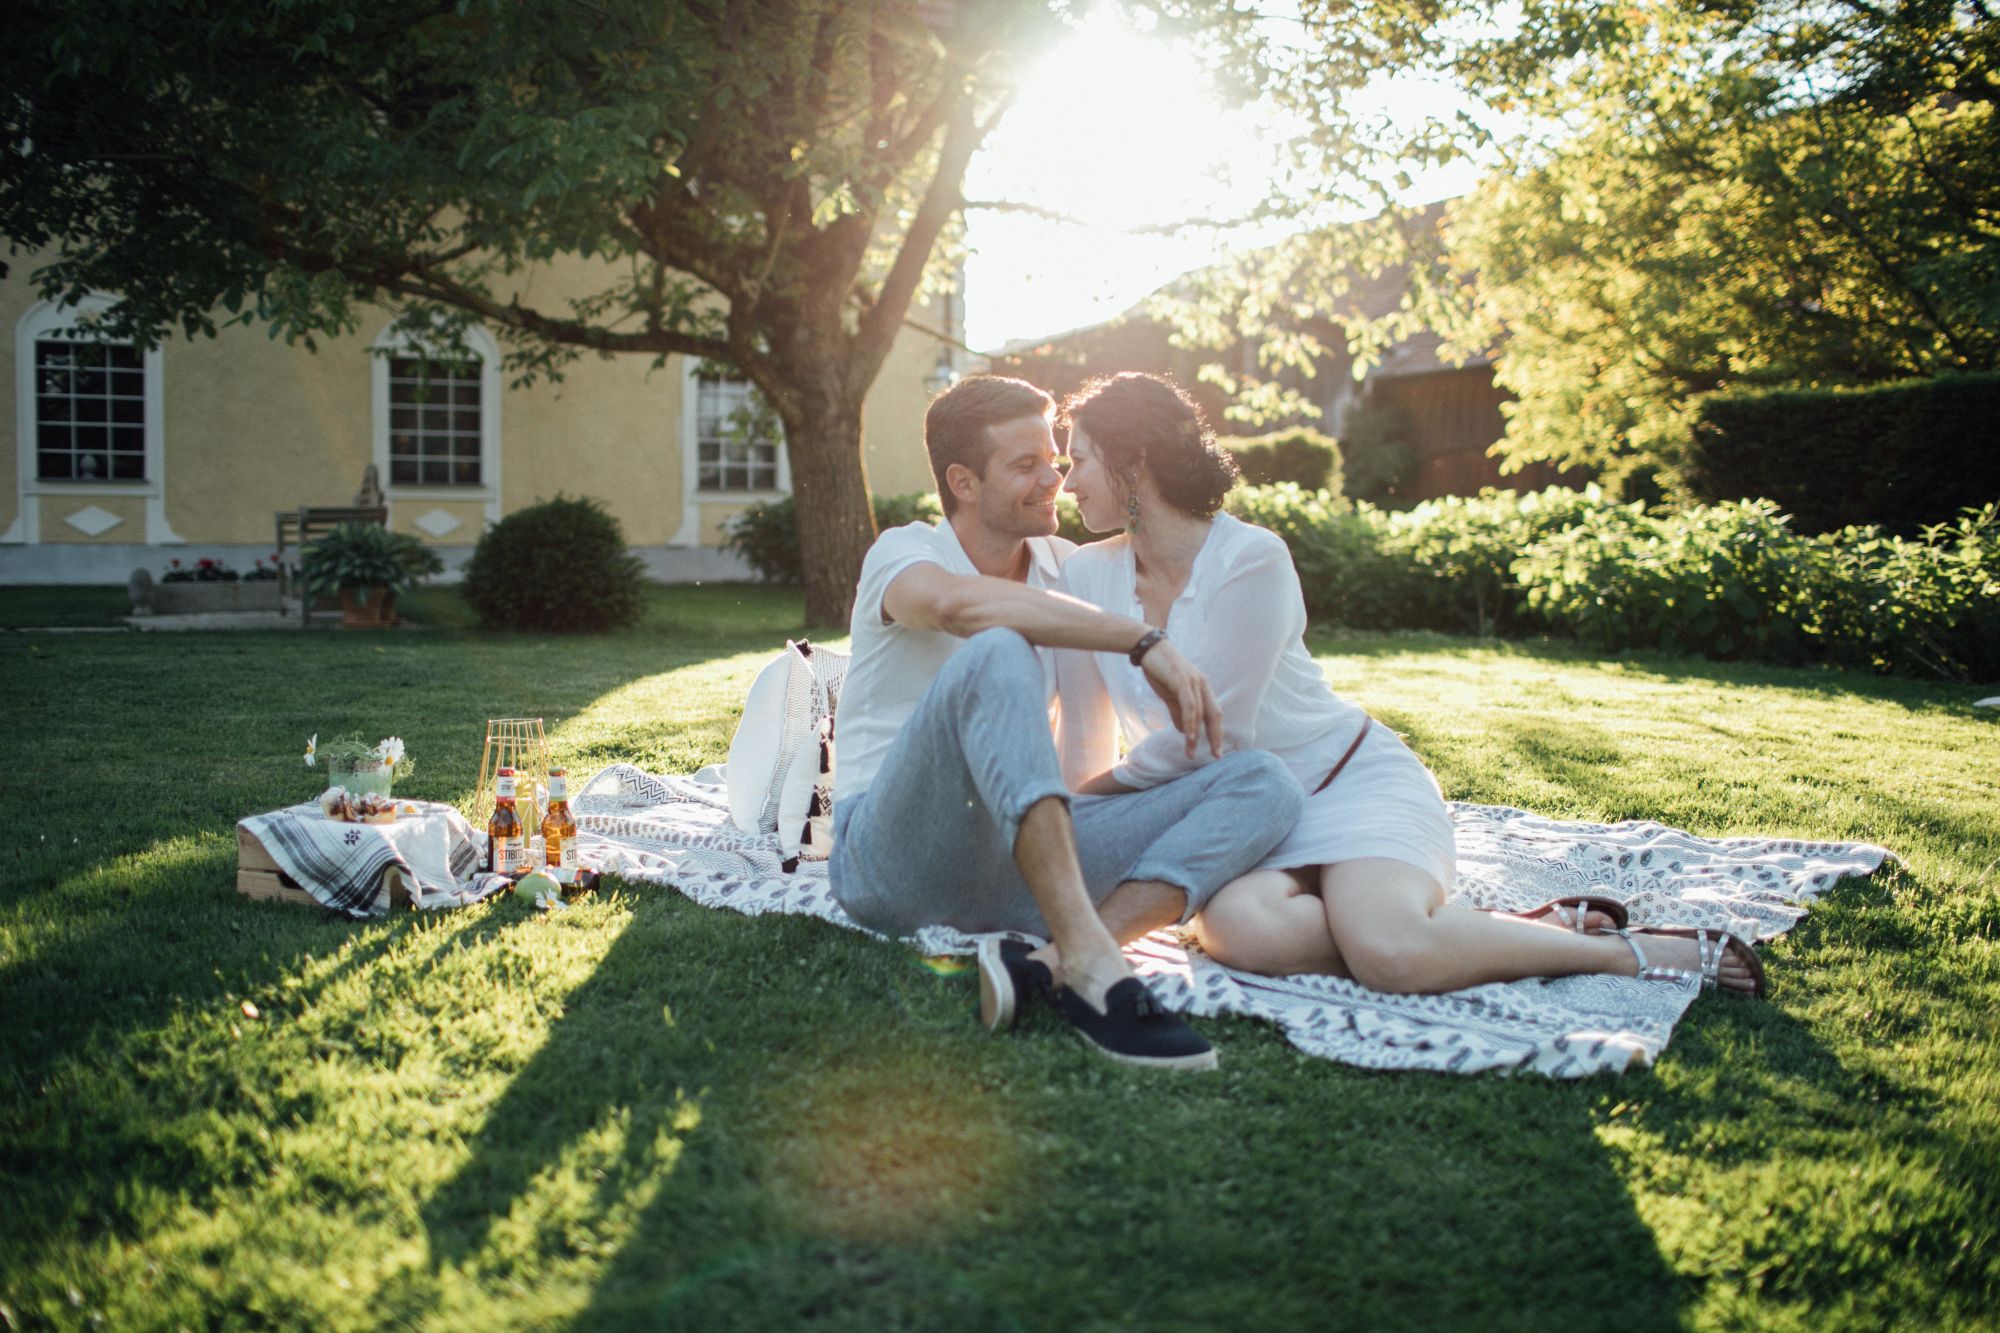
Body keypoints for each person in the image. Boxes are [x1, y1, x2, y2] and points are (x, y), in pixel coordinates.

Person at [1053, 372, 1766, 998]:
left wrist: (1100, 801)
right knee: (1244, 934)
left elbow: (1214, 741)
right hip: (1241, 820)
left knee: (1389, 952)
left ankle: (1619, 952)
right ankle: (1483, 933)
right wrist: (1067, 831)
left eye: (1077, 459)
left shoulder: (1251, 558)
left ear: (1133, 459)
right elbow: (1083, 735)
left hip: (1345, 785)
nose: (1067, 482)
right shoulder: (1085, 574)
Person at [828, 375, 1305, 1071]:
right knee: (996, 649)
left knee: (1264, 781)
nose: (1053, 478)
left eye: (1054, 458)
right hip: (891, 860)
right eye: (1026, 465)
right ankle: (1091, 964)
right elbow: (961, 608)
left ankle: (1052, 958)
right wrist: (1144, 640)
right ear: (963, 481)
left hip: (1015, 863)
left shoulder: (1068, 572)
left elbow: (1085, 750)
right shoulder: (903, 555)